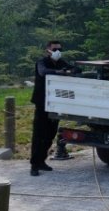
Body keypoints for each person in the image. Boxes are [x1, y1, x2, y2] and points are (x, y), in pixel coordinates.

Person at [30, 40, 76, 176]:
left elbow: (75, 69)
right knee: (39, 135)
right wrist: (59, 72)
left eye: (59, 49)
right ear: (48, 50)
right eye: (55, 49)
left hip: (56, 104)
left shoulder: (61, 62)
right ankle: (34, 165)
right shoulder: (42, 62)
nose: (58, 52)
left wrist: (69, 71)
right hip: (42, 102)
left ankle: (42, 161)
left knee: (50, 134)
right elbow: (43, 72)